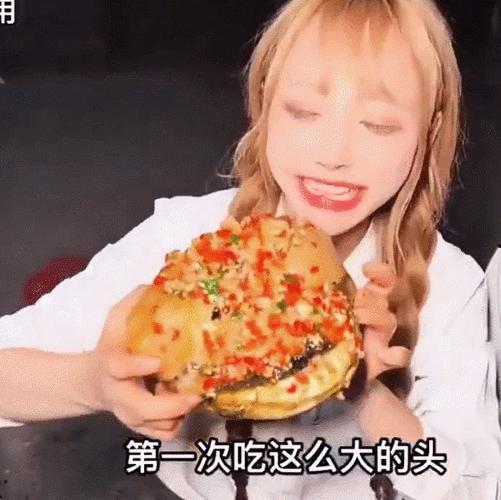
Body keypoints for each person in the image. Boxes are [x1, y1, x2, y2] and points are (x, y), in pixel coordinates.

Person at [1, 0, 501, 498]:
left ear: (429, 133)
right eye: (303, 112)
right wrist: (96, 381)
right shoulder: (187, 244)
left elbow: (473, 484)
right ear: (264, 102)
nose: (334, 155)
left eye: (379, 125)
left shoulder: (450, 285)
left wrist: (364, 389)